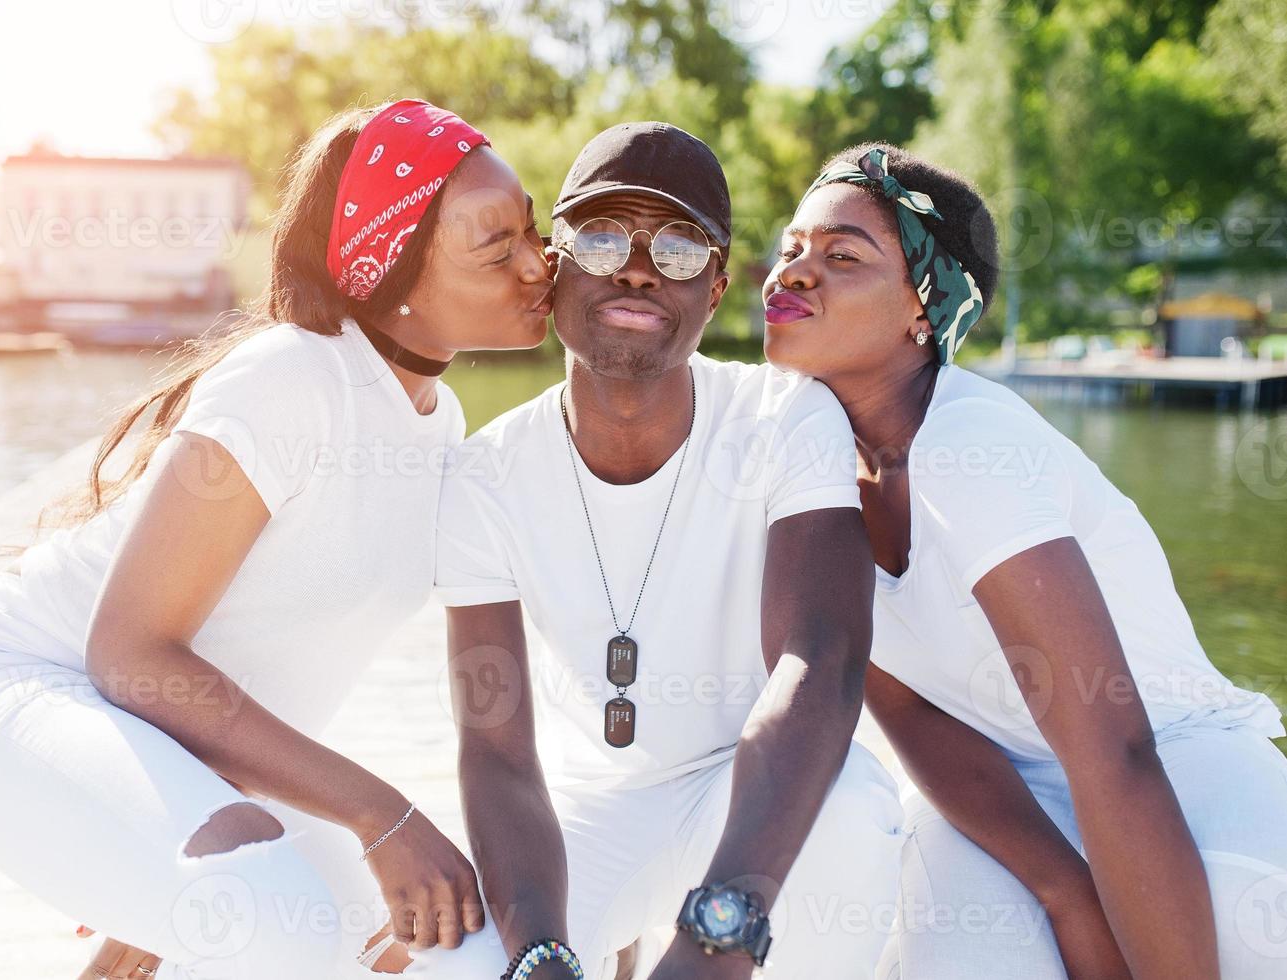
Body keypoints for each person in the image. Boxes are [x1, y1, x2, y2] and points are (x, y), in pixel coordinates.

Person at [0, 99, 553, 979]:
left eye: (533, 232)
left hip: (172, 744)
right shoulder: (292, 378)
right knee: (271, 923)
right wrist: (380, 814)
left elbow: (262, 653)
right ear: (395, 269)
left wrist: (171, 834)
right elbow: (129, 650)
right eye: (498, 246)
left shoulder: (438, 425)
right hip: (16, 694)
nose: (537, 264)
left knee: (464, 957)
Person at [762, 141, 1287, 979]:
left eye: (840, 257)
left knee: (1247, 926)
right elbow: (906, 710)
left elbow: (1111, 747)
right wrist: (1062, 890)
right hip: (1004, 781)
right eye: (788, 248)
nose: (790, 273)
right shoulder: (796, 449)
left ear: (922, 313)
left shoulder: (971, 445)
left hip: (1173, 756)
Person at [431, 122, 904, 980]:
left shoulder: (784, 418)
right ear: (554, 260)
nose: (641, 268)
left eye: (681, 247)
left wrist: (719, 931)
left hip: (751, 791)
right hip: (587, 818)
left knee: (857, 812)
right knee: (453, 965)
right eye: (606, 237)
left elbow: (822, 659)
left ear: (718, 289)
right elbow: (496, 754)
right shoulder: (484, 476)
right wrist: (539, 952)